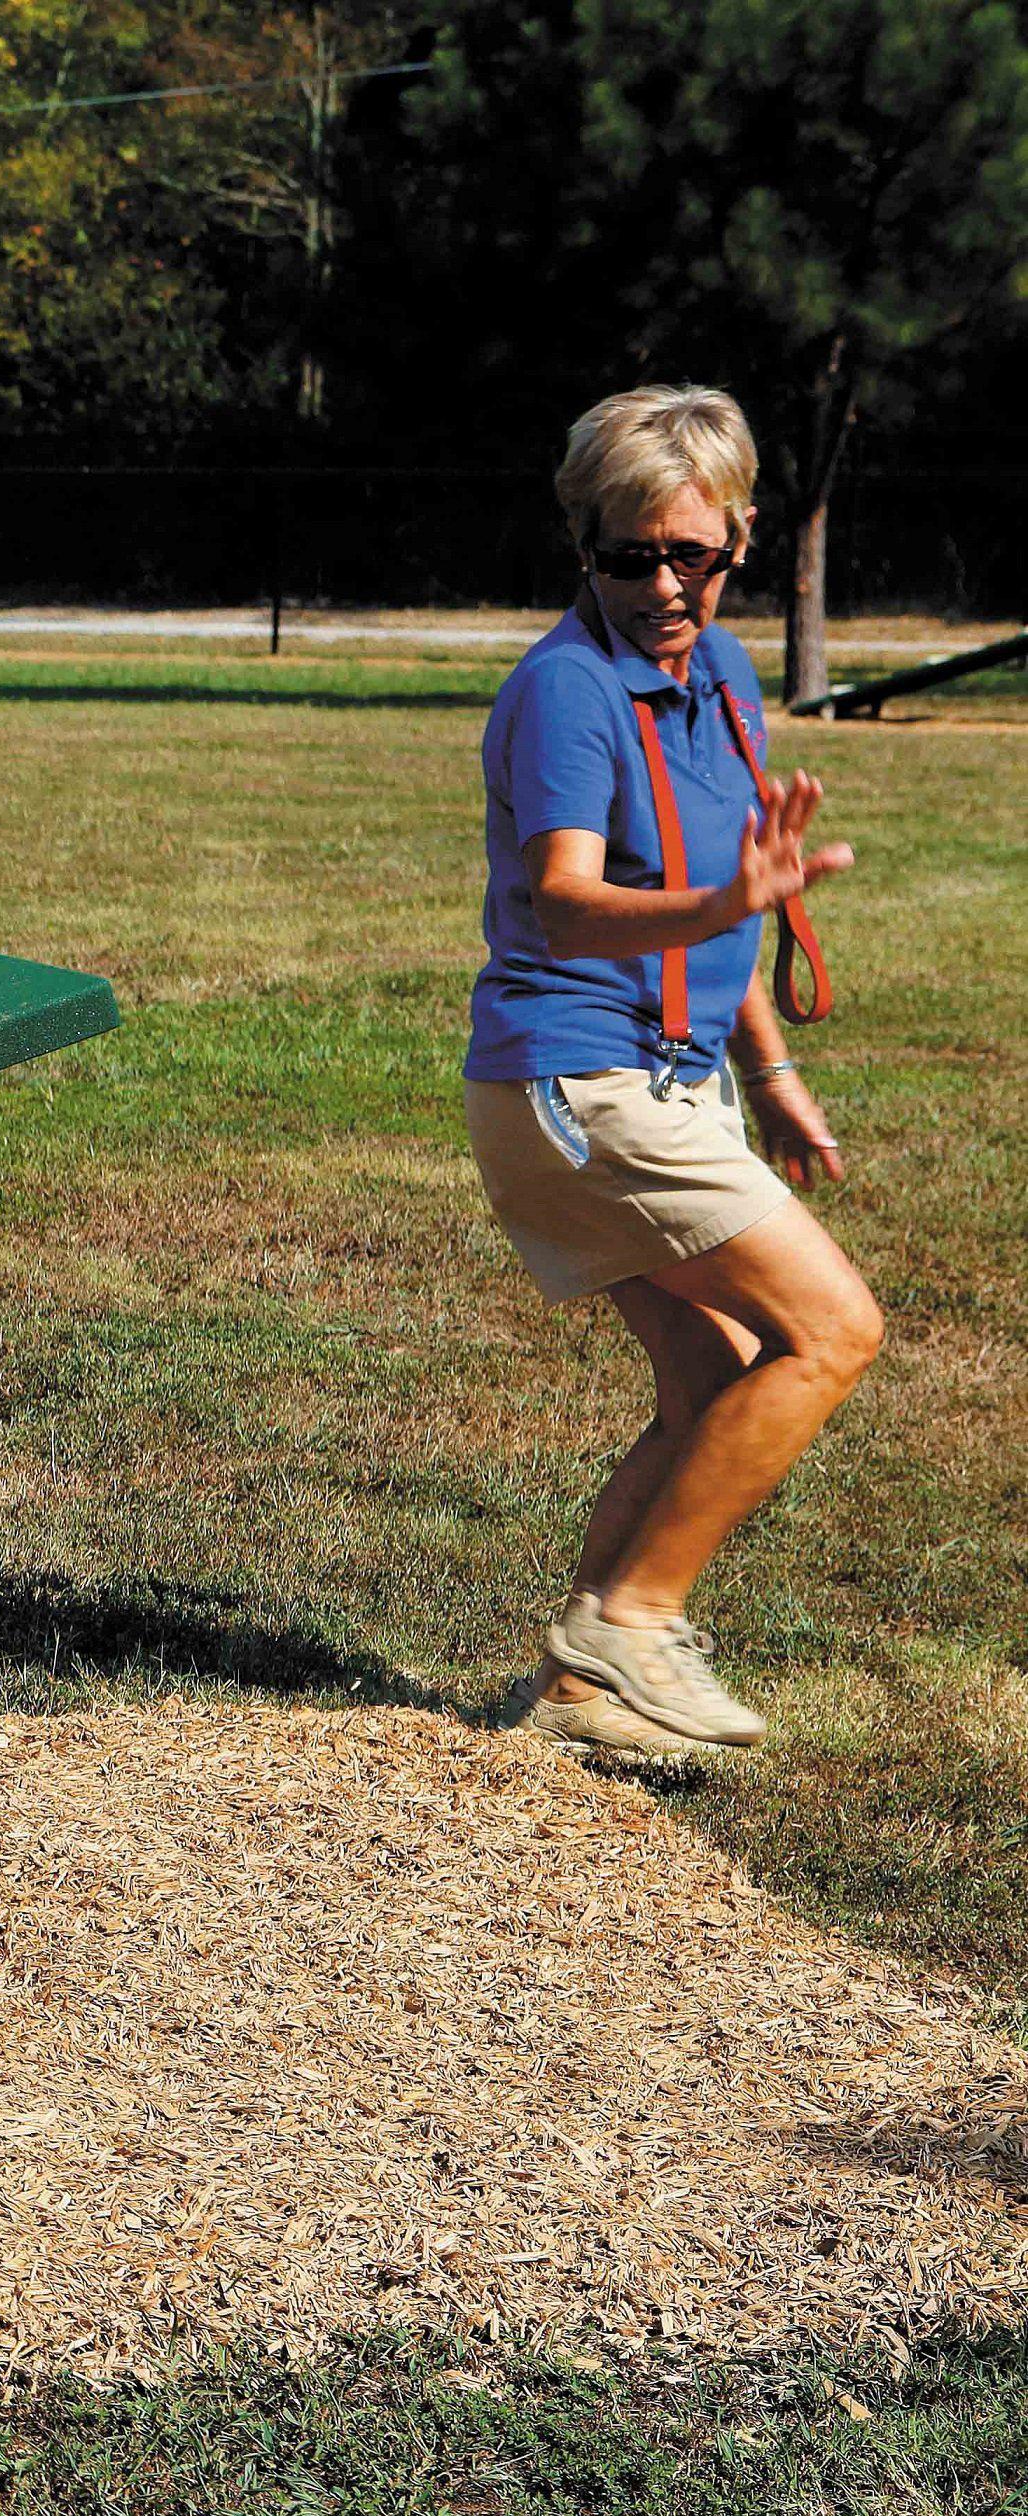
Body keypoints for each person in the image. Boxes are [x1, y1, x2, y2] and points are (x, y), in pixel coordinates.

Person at [465, 384, 873, 1774]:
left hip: (649, 1079)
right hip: (579, 1082)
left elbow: (729, 903)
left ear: (739, 537)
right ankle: (633, 1616)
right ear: (584, 547)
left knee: (716, 1370)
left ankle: (577, 1692)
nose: (658, 584)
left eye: (686, 552)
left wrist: (772, 1069)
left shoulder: (725, 677)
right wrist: (719, 905)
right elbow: (570, 900)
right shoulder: (567, 691)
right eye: (624, 555)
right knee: (832, 1333)